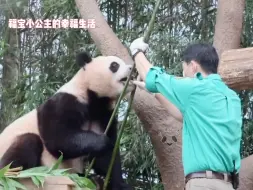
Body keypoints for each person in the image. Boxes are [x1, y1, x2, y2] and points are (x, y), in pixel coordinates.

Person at [129, 37, 242, 190]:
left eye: (184, 68)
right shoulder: (231, 97)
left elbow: (152, 76)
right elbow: (182, 115)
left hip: (203, 184)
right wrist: (155, 93)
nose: (184, 73)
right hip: (227, 184)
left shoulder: (195, 88)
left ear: (193, 66)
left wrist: (137, 52)